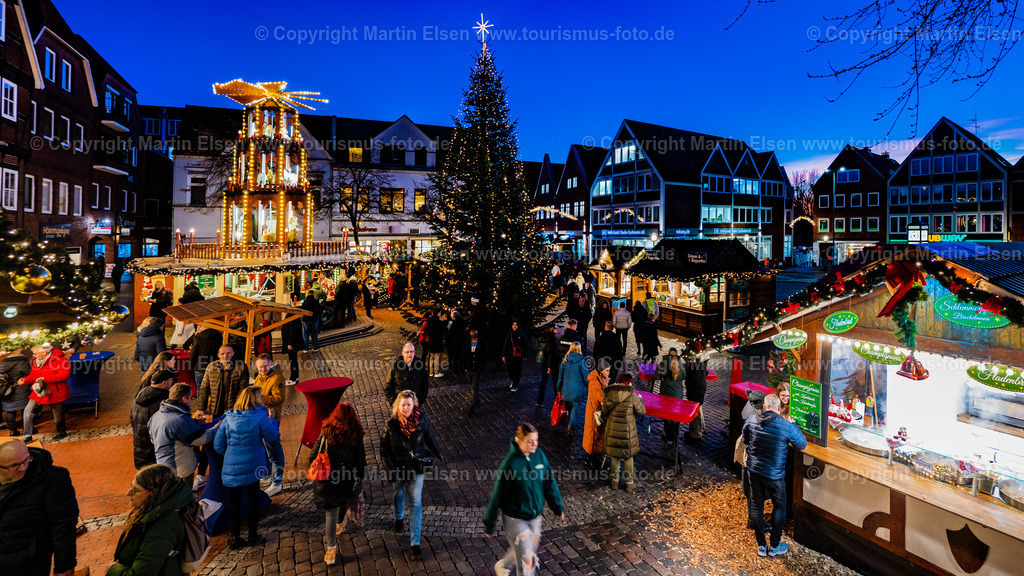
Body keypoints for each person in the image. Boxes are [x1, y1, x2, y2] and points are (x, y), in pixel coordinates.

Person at [483, 423, 564, 576]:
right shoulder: (509, 465)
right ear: (519, 441)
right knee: (528, 559)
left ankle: (504, 566)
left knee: (527, 548)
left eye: (536, 440)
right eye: (530, 441)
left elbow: (549, 483)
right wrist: (489, 524)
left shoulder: (539, 455)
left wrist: (557, 507)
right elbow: (496, 496)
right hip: (515, 519)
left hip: (535, 517)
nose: (535, 444)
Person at [214, 386, 283, 548]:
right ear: (255, 399)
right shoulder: (261, 416)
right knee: (253, 499)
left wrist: (232, 454)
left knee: (234, 501)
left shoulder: (228, 418)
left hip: (231, 468)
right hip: (254, 465)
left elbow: (218, 446)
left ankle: (234, 538)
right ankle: (253, 535)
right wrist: (273, 420)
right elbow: (271, 437)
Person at [0, 440, 79, 576]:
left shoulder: (52, 479)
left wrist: (64, 566)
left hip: (30, 563)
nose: (23, 468)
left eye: (26, 460)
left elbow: (63, 525)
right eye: (14, 466)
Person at [742, 393, 807, 557]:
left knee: (757, 505)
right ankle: (775, 546)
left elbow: (745, 439)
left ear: (764, 407)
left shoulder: (751, 420)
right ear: (778, 408)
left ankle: (761, 546)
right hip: (774, 475)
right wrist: (795, 426)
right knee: (779, 507)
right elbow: (801, 444)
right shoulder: (786, 426)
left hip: (754, 471)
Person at [380, 389, 441, 561]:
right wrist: (390, 468)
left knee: (416, 502)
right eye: (403, 405)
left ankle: (415, 544)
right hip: (398, 469)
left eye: (408, 404)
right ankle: (399, 516)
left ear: (414, 405)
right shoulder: (391, 424)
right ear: (397, 406)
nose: (406, 408)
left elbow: (429, 438)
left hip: (416, 469)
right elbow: (384, 448)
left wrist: (438, 452)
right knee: (398, 493)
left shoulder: (421, 420)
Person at [105, 463, 193, 576]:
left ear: (153, 493)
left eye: (135, 490)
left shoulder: (162, 527)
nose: (128, 493)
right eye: (131, 486)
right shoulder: (154, 513)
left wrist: (113, 569)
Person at [311, 402, 367, 566]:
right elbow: (360, 460)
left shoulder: (326, 432)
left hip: (326, 478)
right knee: (342, 502)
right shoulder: (356, 435)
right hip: (345, 478)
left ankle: (331, 550)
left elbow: (313, 454)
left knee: (329, 513)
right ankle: (340, 523)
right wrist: (361, 476)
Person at [150, 383, 218, 484]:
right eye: (190, 397)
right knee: (184, 496)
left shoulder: (156, 416)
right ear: (183, 399)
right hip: (181, 469)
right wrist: (216, 429)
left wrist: (193, 422)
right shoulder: (180, 419)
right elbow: (201, 439)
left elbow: (154, 438)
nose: (191, 400)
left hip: (163, 465)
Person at [602, 373, 646, 491]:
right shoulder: (632, 396)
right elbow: (641, 411)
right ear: (630, 383)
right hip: (627, 433)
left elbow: (604, 412)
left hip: (613, 431)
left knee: (615, 456)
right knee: (628, 457)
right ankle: (629, 484)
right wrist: (640, 400)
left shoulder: (610, 394)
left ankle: (614, 483)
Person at [23, 343, 72, 441]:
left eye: (35, 353)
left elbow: (65, 374)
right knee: (28, 410)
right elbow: (33, 376)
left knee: (58, 415)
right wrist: (25, 380)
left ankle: (61, 432)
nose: (34, 355)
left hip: (56, 392)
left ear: (44, 352)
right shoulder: (35, 361)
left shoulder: (60, 359)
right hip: (39, 390)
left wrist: (46, 378)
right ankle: (27, 435)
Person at [130, 369, 177, 469]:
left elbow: (131, 418)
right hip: (155, 449)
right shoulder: (163, 401)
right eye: (171, 380)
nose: (172, 383)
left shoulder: (140, 394)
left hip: (139, 446)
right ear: (164, 383)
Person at [253, 354, 285, 494]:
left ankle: (277, 482)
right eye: (260, 367)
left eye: (265, 366)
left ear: (270, 363)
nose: (263, 369)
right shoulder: (258, 377)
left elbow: (279, 398)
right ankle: (266, 476)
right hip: (260, 418)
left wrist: (259, 398)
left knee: (274, 450)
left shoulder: (277, 377)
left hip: (271, 419)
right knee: (264, 449)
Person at [195, 345, 249, 420]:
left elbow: (243, 390)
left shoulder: (241, 367)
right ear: (218, 355)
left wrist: (237, 407)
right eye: (222, 354)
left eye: (228, 353)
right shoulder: (211, 367)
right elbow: (204, 388)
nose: (225, 356)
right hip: (216, 407)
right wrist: (201, 408)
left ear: (233, 353)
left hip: (233, 407)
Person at [555, 342, 589, 438]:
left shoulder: (565, 360)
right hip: (577, 391)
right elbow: (586, 377)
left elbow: (560, 377)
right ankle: (571, 425)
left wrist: (558, 389)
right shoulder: (582, 361)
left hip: (566, 390)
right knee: (575, 409)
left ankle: (569, 421)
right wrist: (590, 387)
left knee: (569, 407)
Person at [583, 360, 611, 470]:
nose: (609, 373)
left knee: (598, 434)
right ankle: (589, 458)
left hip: (598, 413)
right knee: (592, 435)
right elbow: (601, 397)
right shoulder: (594, 383)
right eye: (607, 371)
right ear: (601, 371)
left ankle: (596, 455)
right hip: (594, 413)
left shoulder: (601, 379)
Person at [653, 349, 686, 444]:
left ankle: (669, 437)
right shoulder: (680, 363)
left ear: (668, 354)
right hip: (678, 393)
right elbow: (684, 376)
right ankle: (675, 435)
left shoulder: (663, 363)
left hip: (666, 394)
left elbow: (656, 376)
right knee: (675, 414)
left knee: (667, 415)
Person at [1, 348, 32, 436]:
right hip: (21, 388)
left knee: (10, 411)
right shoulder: (21, 362)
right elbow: (29, 373)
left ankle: (12, 431)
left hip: (6, 390)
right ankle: (27, 429)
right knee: (24, 410)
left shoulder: (2, 362)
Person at [463, 328, 489, 414]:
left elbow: (485, 356)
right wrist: (465, 367)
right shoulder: (466, 343)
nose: (473, 333)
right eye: (472, 331)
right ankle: (477, 400)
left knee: (474, 386)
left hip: (477, 369)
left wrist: (481, 367)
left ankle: (473, 406)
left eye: (475, 331)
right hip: (469, 368)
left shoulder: (482, 343)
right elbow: (462, 355)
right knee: (473, 385)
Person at [684, 357, 709, 442]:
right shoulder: (702, 360)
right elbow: (706, 372)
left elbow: (688, 373)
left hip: (694, 388)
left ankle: (696, 434)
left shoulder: (693, 362)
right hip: (701, 386)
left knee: (695, 411)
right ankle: (694, 432)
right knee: (696, 410)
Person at [535, 325, 559, 408]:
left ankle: (539, 401)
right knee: (556, 383)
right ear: (552, 329)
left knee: (543, 382)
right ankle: (558, 401)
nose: (557, 329)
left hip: (543, 363)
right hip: (551, 364)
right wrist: (549, 367)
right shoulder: (552, 340)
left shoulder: (543, 338)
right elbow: (551, 355)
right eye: (555, 328)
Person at [502, 319, 527, 393]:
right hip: (510, 354)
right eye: (513, 325)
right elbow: (505, 344)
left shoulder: (521, 333)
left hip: (519, 355)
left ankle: (515, 384)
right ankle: (513, 380)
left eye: (516, 325)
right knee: (510, 369)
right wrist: (503, 354)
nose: (515, 326)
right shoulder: (509, 334)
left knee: (517, 370)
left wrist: (525, 354)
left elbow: (525, 344)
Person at [281, 309, 304, 385]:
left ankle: (293, 378)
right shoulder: (292, 315)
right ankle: (295, 377)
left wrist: (290, 343)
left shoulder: (290, 317)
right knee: (293, 360)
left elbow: (292, 331)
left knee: (293, 361)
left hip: (292, 344)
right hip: (293, 343)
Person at [445, 309, 466, 379]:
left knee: (455, 358)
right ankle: (463, 371)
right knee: (461, 357)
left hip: (455, 343)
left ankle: (456, 372)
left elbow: (451, 334)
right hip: (461, 342)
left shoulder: (454, 324)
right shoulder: (462, 322)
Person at [424, 310, 446, 378]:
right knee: (436, 357)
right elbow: (443, 329)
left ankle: (431, 372)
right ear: (438, 314)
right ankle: (436, 372)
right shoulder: (438, 322)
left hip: (431, 341)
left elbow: (426, 330)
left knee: (431, 357)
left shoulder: (430, 321)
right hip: (437, 342)